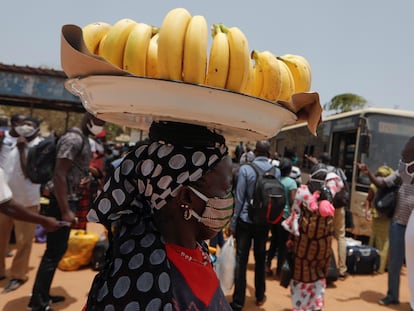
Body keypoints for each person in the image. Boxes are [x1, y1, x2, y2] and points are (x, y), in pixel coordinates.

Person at [83, 121, 234, 310]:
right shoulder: (151, 289)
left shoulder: (192, 249)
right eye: (227, 189)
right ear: (186, 197)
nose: (230, 198)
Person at [28, 112, 105, 311]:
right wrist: (65, 210)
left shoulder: (83, 139)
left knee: (57, 250)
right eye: (100, 122)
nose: (101, 127)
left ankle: (42, 295)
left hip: (69, 200)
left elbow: (72, 169)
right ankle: (37, 302)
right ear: (89, 120)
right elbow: (59, 174)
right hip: (61, 203)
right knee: (53, 253)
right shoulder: (73, 139)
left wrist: (85, 176)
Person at [357, 136, 414, 306]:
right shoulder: (401, 174)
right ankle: (392, 295)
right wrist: (368, 174)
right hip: (399, 223)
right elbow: (382, 183)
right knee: (395, 263)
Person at [229, 140, 280, 310]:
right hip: (264, 222)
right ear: (268, 153)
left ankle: (238, 301)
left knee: (241, 260)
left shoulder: (245, 169)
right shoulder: (276, 171)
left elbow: (239, 198)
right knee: (260, 259)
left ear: (255, 152)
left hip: (245, 220)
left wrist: (233, 223)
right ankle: (260, 295)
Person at [283, 168, 343, 311]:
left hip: (304, 247)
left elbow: (295, 215)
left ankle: (300, 307)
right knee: (319, 279)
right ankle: (316, 306)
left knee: (301, 279)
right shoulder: (329, 194)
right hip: (323, 247)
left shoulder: (302, 191)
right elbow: (338, 183)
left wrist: (291, 239)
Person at [0, 115, 45, 293]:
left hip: (27, 201)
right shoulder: (4, 140)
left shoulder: (40, 146)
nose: (24, 127)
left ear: (36, 128)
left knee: (23, 241)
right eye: (21, 123)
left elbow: (34, 174)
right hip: (3, 199)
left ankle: (18, 274)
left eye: (29, 124)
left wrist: (21, 149)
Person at [306, 152, 349, 279]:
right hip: (338, 207)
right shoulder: (337, 172)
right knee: (341, 236)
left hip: (324, 208)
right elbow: (343, 187)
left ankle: (323, 266)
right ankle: (342, 269)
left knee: (324, 236)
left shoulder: (318, 172)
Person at [266, 157, 297, 277]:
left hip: (274, 215)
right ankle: (279, 270)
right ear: (289, 170)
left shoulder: (276, 180)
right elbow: (293, 200)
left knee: (274, 241)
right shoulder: (291, 183)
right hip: (285, 217)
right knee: (283, 243)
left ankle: (268, 265)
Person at [364, 165, 394, 274]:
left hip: (379, 217)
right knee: (385, 243)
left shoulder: (374, 185)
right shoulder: (393, 187)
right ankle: (381, 266)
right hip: (386, 218)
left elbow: (368, 200)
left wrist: (367, 212)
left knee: (376, 240)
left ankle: (374, 265)